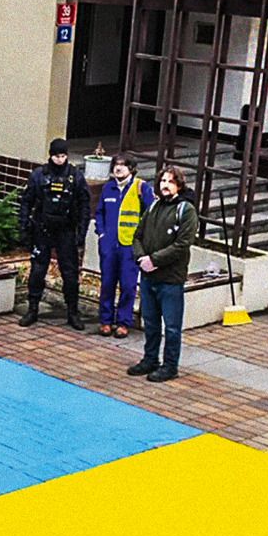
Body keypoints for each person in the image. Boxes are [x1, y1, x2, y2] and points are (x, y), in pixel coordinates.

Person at [127, 165, 198, 383]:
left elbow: (182, 244)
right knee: (150, 322)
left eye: (170, 181)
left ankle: (170, 366)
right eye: (163, 181)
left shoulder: (186, 210)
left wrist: (154, 260)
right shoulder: (154, 206)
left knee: (172, 327)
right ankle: (150, 359)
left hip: (170, 280)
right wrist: (141, 258)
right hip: (148, 277)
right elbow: (137, 236)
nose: (165, 185)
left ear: (178, 185)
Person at [18, 138, 90, 331]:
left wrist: (81, 233)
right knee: (38, 270)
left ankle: (72, 312)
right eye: (57, 156)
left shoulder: (75, 177)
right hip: (42, 229)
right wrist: (24, 227)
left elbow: (84, 205)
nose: (61, 159)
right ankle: (33, 309)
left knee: (70, 273)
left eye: (64, 155)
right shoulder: (39, 175)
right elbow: (27, 202)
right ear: (51, 155)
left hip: (66, 230)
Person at [93, 154, 155, 338]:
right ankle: (105, 321)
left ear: (132, 169)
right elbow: (99, 213)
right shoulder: (108, 188)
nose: (118, 168)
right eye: (116, 165)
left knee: (128, 285)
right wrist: (102, 234)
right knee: (107, 283)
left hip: (130, 246)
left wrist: (142, 239)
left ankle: (123, 322)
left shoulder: (140, 188)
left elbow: (150, 214)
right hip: (109, 244)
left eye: (123, 165)